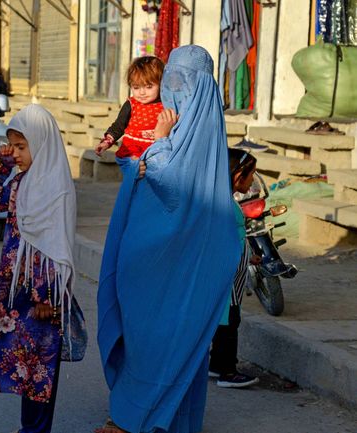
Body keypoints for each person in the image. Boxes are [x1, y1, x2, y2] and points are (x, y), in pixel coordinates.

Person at [95, 45, 241, 433]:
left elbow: (171, 183)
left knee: (171, 341)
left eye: (181, 81)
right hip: (154, 257)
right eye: (170, 79)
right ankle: (145, 415)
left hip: (178, 261)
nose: (173, 90)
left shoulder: (194, 128)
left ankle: (139, 419)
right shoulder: (192, 123)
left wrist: (158, 141)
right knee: (149, 338)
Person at [0, 104, 81, 433]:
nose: (15, 153)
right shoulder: (19, 182)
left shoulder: (57, 188)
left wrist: (47, 296)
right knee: (20, 363)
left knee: (40, 368)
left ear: (42, 142)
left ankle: (36, 430)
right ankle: (28, 428)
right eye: (12, 146)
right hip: (15, 286)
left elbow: (57, 244)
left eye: (21, 147)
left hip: (44, 294)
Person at [209, 149, 261, 389]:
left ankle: (216, 365)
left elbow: (235, 239)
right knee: (229, 323)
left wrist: (249, 257)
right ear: (238, 175)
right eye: (251, 175)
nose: (252, 180)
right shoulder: (224, 207)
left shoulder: (223, 202)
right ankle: (227, 371)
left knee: (225, 321)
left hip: (232, 275)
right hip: (226, 277)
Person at [95, 56, 165, 161]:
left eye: (149, 87)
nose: (142, 92)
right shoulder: (131, 104)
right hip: (131, 153)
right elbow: (118, 126)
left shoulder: (166, 104)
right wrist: (106, 142)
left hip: (155, 154)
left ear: (161, 84)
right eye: (136, 87)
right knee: (135, 169)